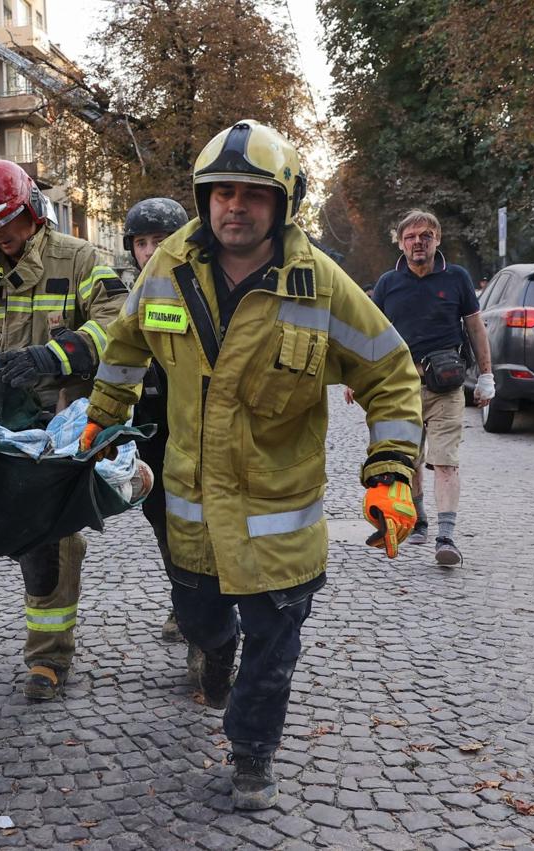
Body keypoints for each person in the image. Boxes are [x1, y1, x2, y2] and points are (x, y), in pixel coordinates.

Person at [80, 120, 422, 809]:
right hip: (191, 513)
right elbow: (124, 346)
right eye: (221, 192)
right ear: (205, 199)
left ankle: (252, 755)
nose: (235, 205)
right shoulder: (167, 268)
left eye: (254, 194)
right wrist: (101, 417)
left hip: (279, 520)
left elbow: (392, 372)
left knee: (274, 647)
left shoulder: (318, 287)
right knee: (200, 621)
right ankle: (214, 643)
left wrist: (389, 472)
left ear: (284, 202)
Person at [0, 158, 126, 700]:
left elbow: (119, 322)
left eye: (7, 223)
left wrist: (55, 357)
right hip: (4, 431)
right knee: (22, 538)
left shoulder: (78, 258)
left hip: (62, 426)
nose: (0, 236)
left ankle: (48, 658)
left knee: (52, 540)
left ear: (32, 210)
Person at [358, 210, 493, 566]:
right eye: (411, 236)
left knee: (445, 461)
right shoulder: (388, 283)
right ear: (401, 242)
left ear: (438, 239)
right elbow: (373, 333)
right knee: (409, 460)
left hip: (446, 386)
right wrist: (359, 377)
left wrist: (486, 375)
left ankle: (446, 537)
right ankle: (419, 521)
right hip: (400, 388)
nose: (419, 242)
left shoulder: (457, 278)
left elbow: (477, 329)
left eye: (426, 235)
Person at [122, 198, 197, 660]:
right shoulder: (128, 294)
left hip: (195, 428)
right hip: (151, 431)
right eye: (141, 243)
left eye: (159, 242)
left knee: (197, 528)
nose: (149, 251)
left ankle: (201, 622)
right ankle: (182, 602)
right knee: (163, 524)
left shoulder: (197, 290)